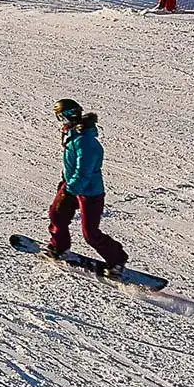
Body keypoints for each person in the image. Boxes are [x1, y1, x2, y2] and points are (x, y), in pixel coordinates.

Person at [47, 98, 127, 272]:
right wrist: (65, 181)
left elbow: (84, 171)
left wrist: (69, 190)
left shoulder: (85, 141)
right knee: (57, 215)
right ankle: (59, 247)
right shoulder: (73, 134)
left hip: (90, 192)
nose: (63, 121)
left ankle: (117, 260)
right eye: (61, 117)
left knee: (90, 234)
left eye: (65, 117)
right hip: (71, 185)